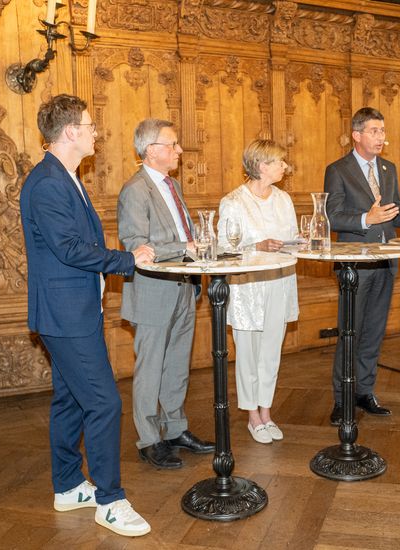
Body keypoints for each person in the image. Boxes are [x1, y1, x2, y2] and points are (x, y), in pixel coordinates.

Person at [20, 94, 153, 537]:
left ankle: (67, 485)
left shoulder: (64, 177)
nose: (97, 132)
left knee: (71, 399)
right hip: (65, 315)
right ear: (71, 131)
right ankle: (111, 502)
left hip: (73, 310)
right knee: (105, 401)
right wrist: (128, 259)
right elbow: (69, 249)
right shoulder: (47, 183)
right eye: (91, 125)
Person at [117, 118, 215, 470]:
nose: (179, 150)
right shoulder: (135, 189)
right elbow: (135, 244)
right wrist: (184, 246)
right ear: (151, 150)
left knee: (176, 366)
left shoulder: (171, 186)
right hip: (153, 292)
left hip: (183, 289)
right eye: (172, 144)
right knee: (150, 369)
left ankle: (175, 430)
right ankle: (149, 439)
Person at [324, 107, 400, 425]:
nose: (382, 137)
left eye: (383, 131)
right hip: (355, 264)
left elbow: (392, 215)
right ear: (357, 134)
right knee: (350, 331)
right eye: (375, 131)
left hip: (386, 261)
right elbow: (332, 216)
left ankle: (364, 392)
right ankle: (342, 399)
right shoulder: (338, 170)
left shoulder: (389, 169)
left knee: (374, 332)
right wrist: (367, 218)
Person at [216, 140, 299, 444]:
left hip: (278, 282)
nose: (284, 167)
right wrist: (257, 246)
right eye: (279, 162)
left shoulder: (283, 199)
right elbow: (224, 249)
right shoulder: (233, 202)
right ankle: (252, 416)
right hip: (247, 287)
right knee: (248, 354)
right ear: (262, 166)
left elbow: (291, 238)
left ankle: (267, 412)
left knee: (271, 352)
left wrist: (299, 242)